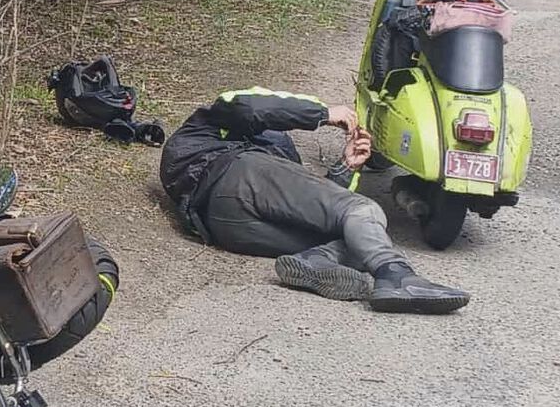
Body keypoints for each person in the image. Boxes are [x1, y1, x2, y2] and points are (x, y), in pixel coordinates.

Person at [158, 88, 469, 314]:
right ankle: (396, 275)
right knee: (363, 210)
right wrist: (322, 114)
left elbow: (311, 207)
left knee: (354, 234)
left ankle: (315, 260)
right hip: (237, 175)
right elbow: (248, 107)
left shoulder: (274, 151)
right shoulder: (212, 122)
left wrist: (346, 168)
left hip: (223, 226)